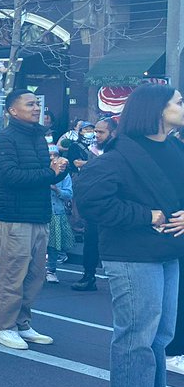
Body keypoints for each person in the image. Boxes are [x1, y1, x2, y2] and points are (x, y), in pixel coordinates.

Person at [76, 84, 184, 387]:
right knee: (138, 334)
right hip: (131, 254)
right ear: (156, 110)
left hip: (167, 252)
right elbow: (90, 202)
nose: (183, 106)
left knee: (160, 336)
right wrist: (147, 215)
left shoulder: (175, 147)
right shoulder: (119, 154)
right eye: (178, 102)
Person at [0, 90, 68, 351]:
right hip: (14, 217)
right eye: (30, 104)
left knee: (35, 276)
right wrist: (49, 171)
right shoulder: (5, 139)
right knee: (12, 275)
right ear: (13, 110)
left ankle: (23, 322)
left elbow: (42, 178)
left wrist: (57, 171)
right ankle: (5, 326)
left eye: (38, 103)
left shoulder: (38, 137)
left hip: (39, 215)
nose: (37, 108)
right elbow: (10, 176)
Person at [76, 117, 116, 292]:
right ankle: (88, 276)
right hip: (95, 204)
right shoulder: (93, 150)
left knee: (112, 243)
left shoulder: (120, 152)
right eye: (96, 131)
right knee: (90, 241)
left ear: (113, 133)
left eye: (101, 132)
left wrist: (88, 165)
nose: (96, 135)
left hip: (114, 205)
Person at [45, 144, 74, 284]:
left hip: (57, 211)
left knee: (54, 244)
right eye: (49, 156)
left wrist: (57, 190)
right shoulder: (42, 171)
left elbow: (69, 194)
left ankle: (51, 270)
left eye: (54, 156)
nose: (52, 159)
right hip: (42, 211)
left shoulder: (65, 174)